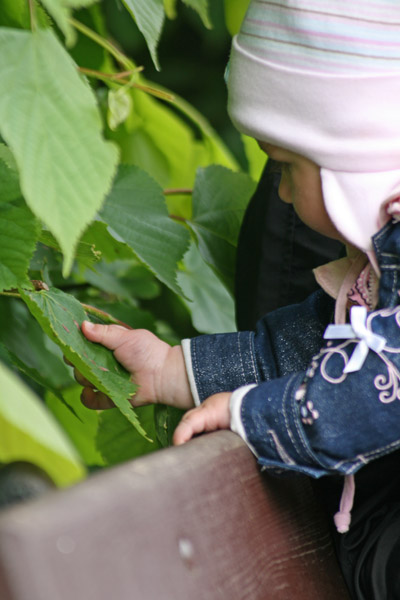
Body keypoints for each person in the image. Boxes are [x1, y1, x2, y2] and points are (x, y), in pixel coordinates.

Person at [75, 2, 400, 596]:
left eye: (286, 166)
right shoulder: (380, 270)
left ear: (355, 157)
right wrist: (177, 370)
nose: (277, 190)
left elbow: (384, 385)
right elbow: (318, 348)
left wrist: (257, 415)